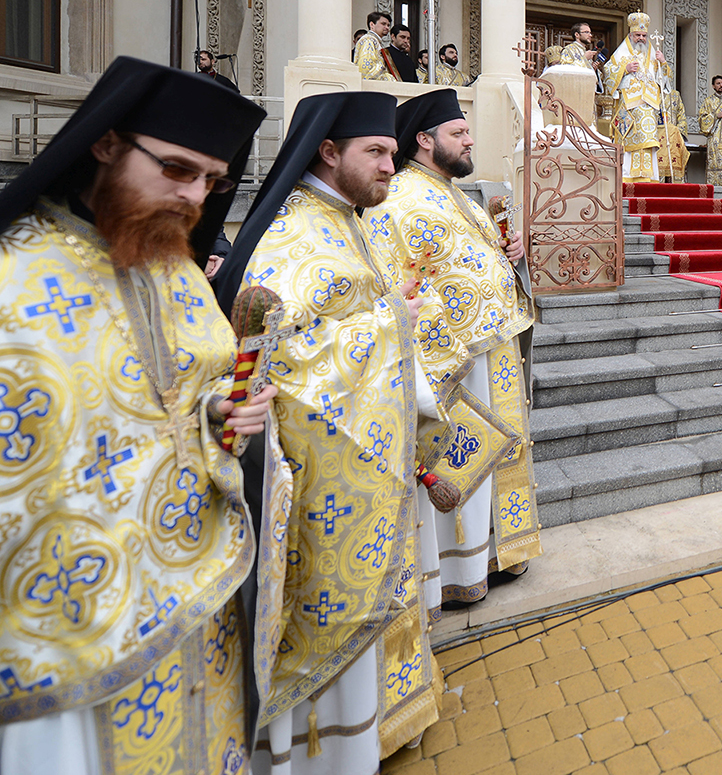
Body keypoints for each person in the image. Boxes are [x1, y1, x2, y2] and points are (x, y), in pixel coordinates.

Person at [0, 56, 270, 772]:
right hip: (67, 625)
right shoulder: (13, 273)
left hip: (192, 586)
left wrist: (221, 411)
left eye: (212, 180)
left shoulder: (174, 266)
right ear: (106, 142)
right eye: (178, 169)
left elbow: (180, 391)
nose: (194, 197)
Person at [215, 92, 443, 771]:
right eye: (376, 151)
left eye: (392, 151)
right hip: (321, 476)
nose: (390, 163)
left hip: (370, 455)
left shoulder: (346, 218)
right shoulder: (290, 234)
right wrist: (391, 325)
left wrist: (388, 322)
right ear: (328, 150)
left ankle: (369, 732)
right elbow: (287, 360)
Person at [367, 90, 541, 615]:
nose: (470, 141)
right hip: (456, 365)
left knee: (500, 457)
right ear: (424, 140)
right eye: (458, 133)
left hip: (496, 350)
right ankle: (458, 570)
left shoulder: (457, 195)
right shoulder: (396, 200)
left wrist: (511, 255)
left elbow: (481, 265)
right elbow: (397, 286)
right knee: (464, 460)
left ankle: (495, 555)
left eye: (467, 132)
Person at [609, 12, 689, 182]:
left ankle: (649, 178)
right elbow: (607, 73)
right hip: (629, 107)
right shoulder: (621, 54)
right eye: (637, 35)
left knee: (649, 141)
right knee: (630, 141)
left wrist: (663, 62)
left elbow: (665, 80)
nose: (641, 39)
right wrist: (625, 69)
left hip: (649, 106)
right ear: (630, 35)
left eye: (644, 36)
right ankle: (628, 178)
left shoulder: (653, 54)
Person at [697, 74, 722, 187]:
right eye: (718, 84)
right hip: (714, 138)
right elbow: (702, 119)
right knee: (714, 162)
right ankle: (713, 187)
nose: (721, 86)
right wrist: (715, 116)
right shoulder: (708, 101)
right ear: (713, 86)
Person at [354, 10, 398, 81]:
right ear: (372, 25)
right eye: (383, 24)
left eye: (388, 25)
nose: (387, 28)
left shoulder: (375, 41)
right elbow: (366, 70)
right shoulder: (368, 39)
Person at [559, 22, 602, 90]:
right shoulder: (568, 50)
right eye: (587, 32)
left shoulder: (585, 51)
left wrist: (593, 69)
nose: (590, 35)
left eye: (590, 33)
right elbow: (565, 72)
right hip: (574, 90)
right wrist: (584, 59)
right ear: (577, 34)